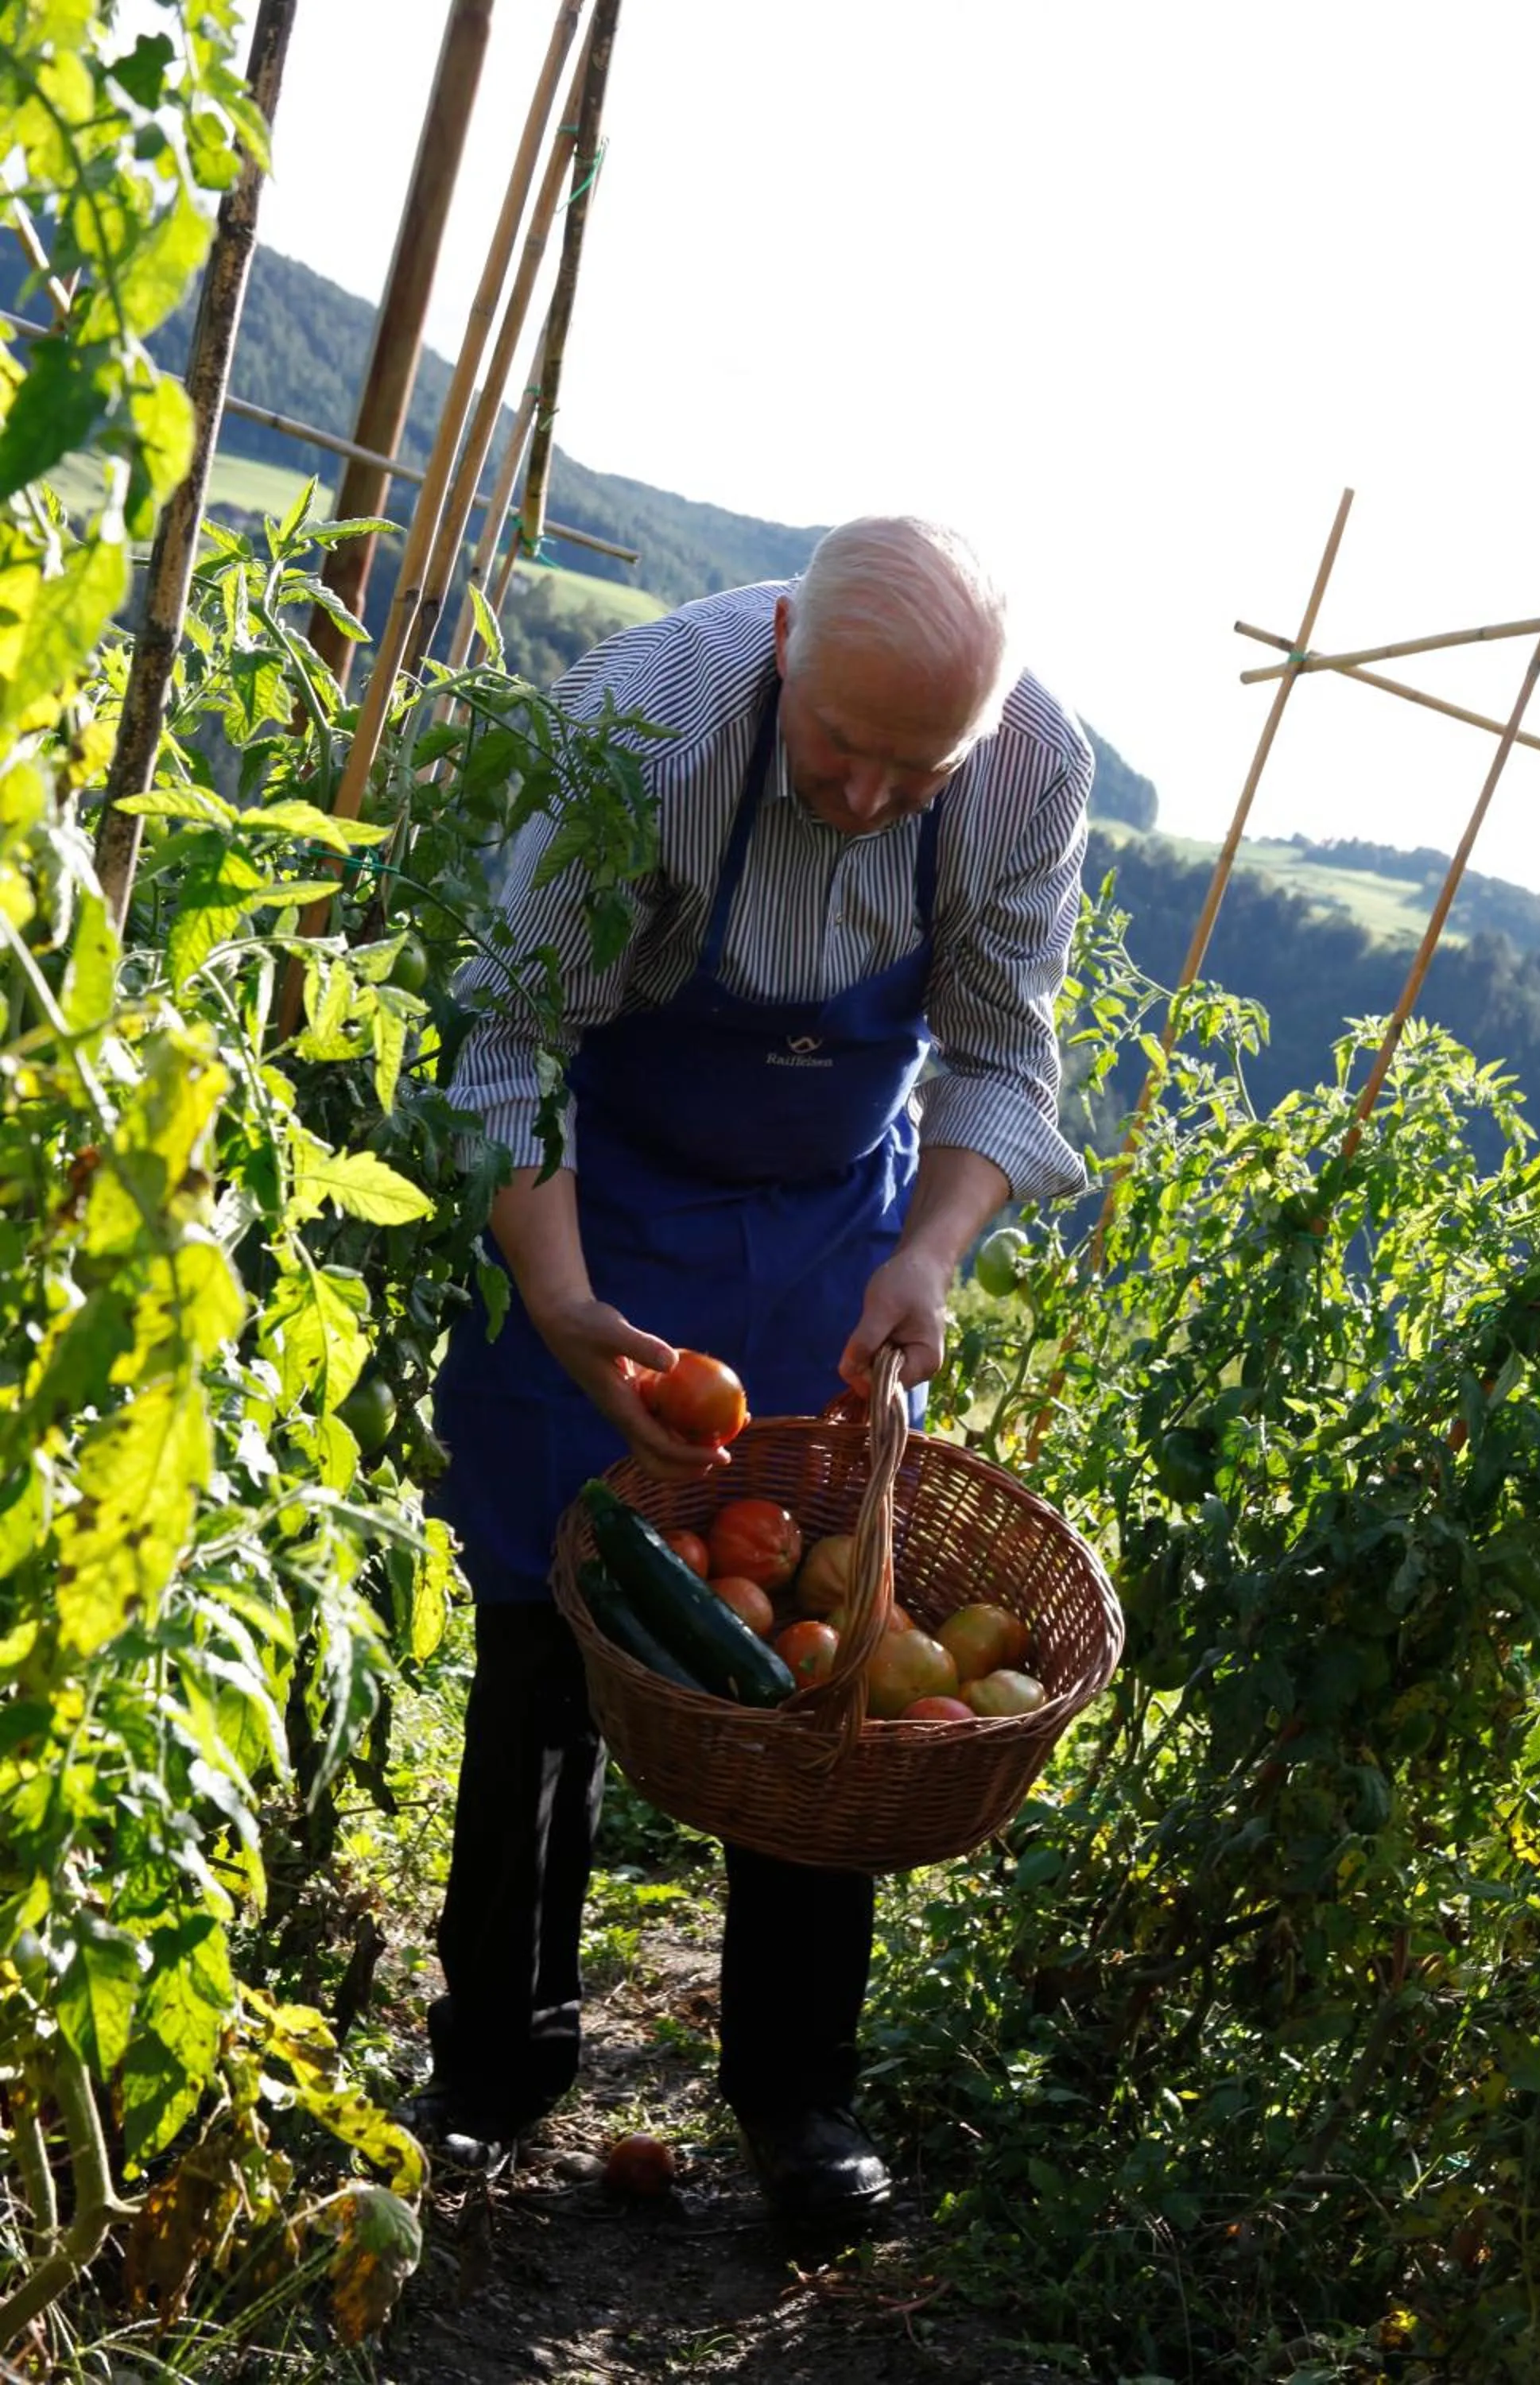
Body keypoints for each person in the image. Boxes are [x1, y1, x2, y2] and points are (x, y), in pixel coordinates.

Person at [413, 516, 1092, 2216]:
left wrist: (925, 1258)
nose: (869, 796)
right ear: (786, 644)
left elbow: (999, 1059)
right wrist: (561, 1298)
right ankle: (496, 2062)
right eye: (841, 747)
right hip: (593, 1189)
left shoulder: (1027, 771)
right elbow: (511, 1034)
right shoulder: (648, 725)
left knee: (825, 1660)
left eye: (917, 771)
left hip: (824, 1230)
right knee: (547, 1619)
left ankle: (797, 2093)